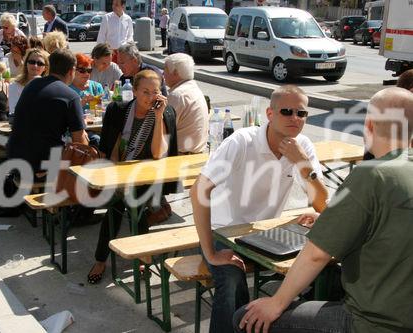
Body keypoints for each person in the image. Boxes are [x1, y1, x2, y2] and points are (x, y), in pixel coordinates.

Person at [233, 87, 413, 333]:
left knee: (246, 317)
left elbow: (316, 254)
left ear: (368, 125)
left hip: (372, 321)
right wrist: (331, 219)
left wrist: (276, 303)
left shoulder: (371, 174)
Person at [190, 85, 329, 333]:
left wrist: (302, 163)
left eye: (302, 113)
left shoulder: (302, 146)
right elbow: (198, 191)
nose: (295, 118)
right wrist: (210, 253)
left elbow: (321, 203)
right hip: (223, 232)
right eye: (287, 111)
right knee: (231, 280)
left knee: (325, 266)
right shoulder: (242, 142)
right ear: (270, 114)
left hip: (266, 234)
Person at [87, 69, 178, 284]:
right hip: (120, 173)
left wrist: (157, 117)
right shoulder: (118, 110)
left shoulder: (165, 113)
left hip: (149, 177)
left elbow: (158, 153)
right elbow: (107, 148)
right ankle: (141, 258)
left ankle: (104, 260)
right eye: (145, 91)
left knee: (125, 203)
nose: (150, 97)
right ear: (134, 91)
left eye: (155, 92)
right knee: (125, 203)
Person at [7, 48, 89, 177]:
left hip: (15, 158)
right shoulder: (70, 96)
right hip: (42, 164)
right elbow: (80, 143)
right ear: (71, 71)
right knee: (86, 155)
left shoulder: (31, 85)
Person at [164, 53, 208, 154]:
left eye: (165, 69)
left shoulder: (178, 95)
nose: (163, 73)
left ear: (175, 72)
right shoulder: (194, 88)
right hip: (198, 153)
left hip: (181, 157)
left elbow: (162, 130)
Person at [8, 48, 49, 116]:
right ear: (26, 64)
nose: (35, 66)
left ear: (45, 68)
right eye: (32, 62)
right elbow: (14, 112)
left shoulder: (48, 88)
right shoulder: (14, 86)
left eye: (40, 63)